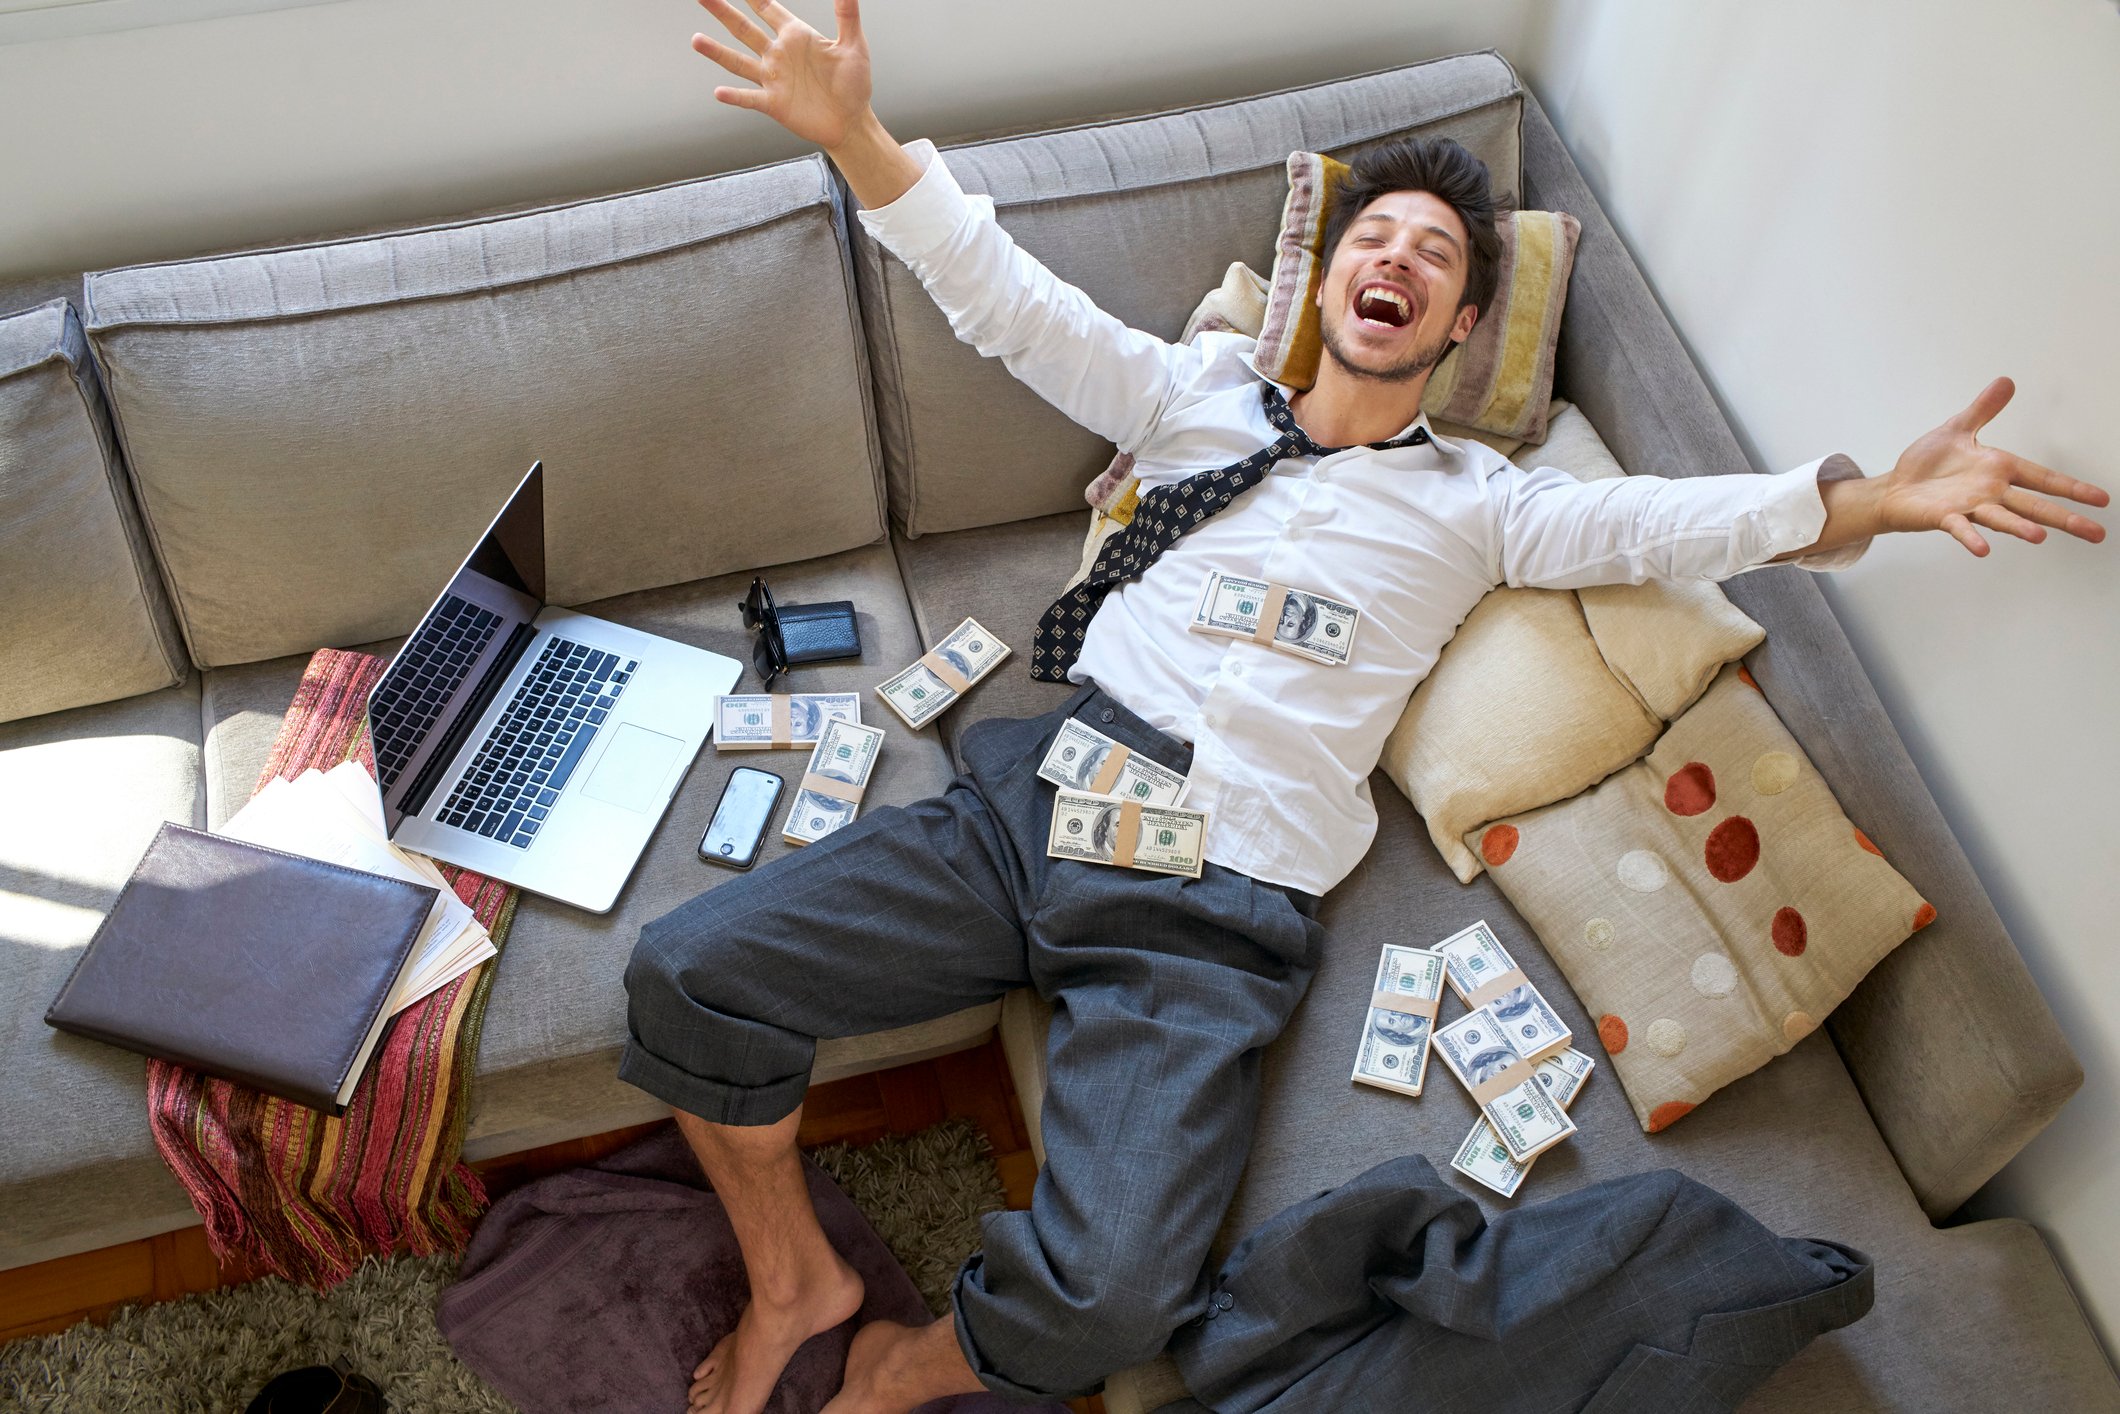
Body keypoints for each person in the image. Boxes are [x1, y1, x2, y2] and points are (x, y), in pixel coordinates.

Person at [623, 3, 2112, 1412]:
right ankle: (798, 1283)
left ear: (1457, 327)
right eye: (1374, 238)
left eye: (1434, 256)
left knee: (1105, 1302)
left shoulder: (1487, 506)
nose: (1396, 259)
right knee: (691, 969)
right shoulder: (1193, 395)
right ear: (1325, 284)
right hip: (1042, 805)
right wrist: (858, 138)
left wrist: (1871, 501)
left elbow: (1663, 522)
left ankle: (909, 1365)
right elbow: (1009, 301)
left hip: (1211, 908)